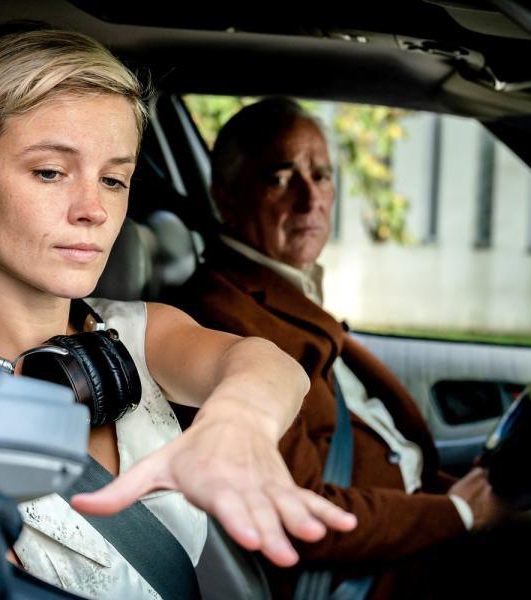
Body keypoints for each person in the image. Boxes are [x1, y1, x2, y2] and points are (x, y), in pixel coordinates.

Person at [0, 31, 356, 599]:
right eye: (51, 172)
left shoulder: (136, 333)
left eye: (113, 179)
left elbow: (267, 364)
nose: (93, 211)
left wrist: (241, 421)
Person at [171, 97, 503, 599]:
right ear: (227, 197)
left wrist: (447, 492)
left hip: (405, 528)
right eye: (281, 177)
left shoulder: (286, 290)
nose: (311, 199)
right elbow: (301, 507)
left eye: (322, 176)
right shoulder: (219, 316)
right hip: (360, 577)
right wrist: (457, 513)